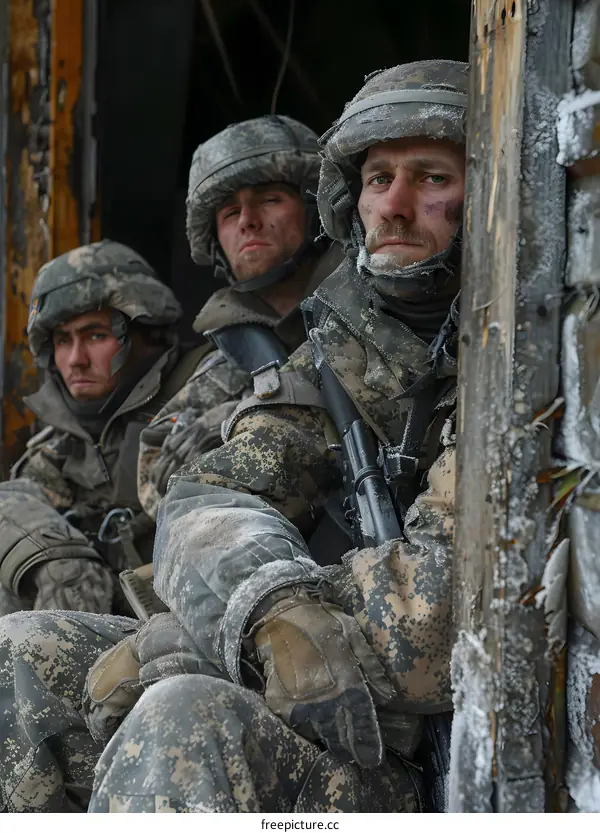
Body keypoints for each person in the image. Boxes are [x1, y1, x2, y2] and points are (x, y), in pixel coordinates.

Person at [0, 60, 466, 813]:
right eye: (380, 179)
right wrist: (261, 611)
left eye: (430, 179)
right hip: (279, 645)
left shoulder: (510, 355)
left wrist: (223, 636)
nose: (397, 206)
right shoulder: (334, 354)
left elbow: (449, 608)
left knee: (181, 712)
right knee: (15, 654)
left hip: (391, 732)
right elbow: (200, 498)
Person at [137, 114, 341, 522]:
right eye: (231, 212)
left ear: (314, 209)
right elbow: (160, 487)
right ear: (216, 242)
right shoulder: (219, 364)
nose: (247, 221)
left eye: (269, 199)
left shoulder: (377, 312)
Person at [0, 240, 201, 616]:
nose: (75, 360)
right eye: (62, 340)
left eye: (95, 335)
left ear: (147, 331)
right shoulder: (60, 446)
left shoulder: (203, 399)